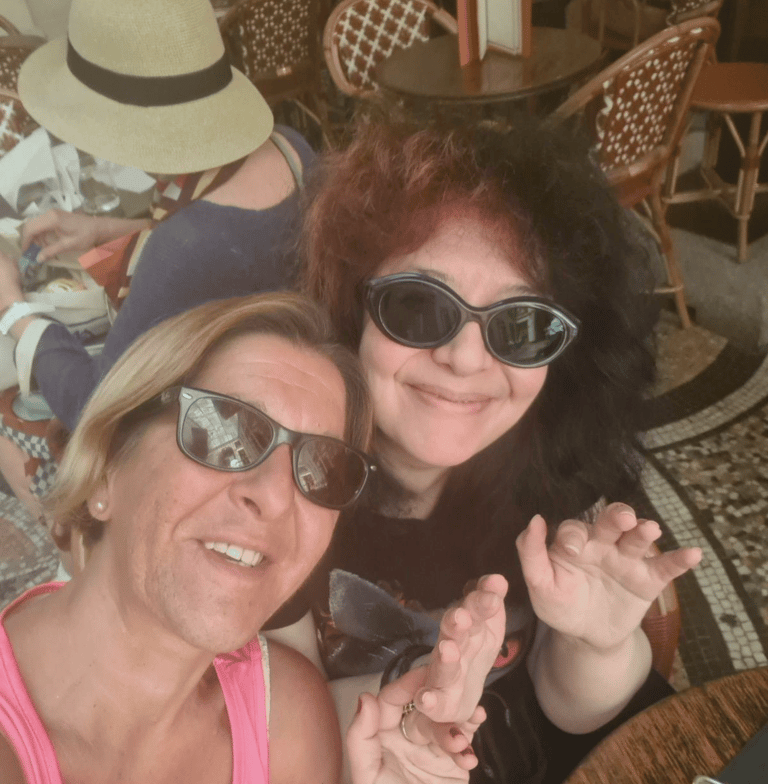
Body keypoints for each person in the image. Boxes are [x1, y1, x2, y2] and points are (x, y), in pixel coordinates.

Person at [297, 108, 703, 784]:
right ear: (349, 309)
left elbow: (576, 714)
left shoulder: (561, 475)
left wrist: (597, 645)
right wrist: (411, 713)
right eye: (418, 306)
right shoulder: (285, 490)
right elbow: (266, 722)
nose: (463, 358)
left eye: (520, 325)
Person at [0, 290, 509, 784]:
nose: (275, 496)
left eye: (322, 469)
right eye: (225, 432)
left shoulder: (286, 719)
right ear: (107, 467)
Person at [0, 0, 315, 516]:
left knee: (14, 426)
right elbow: (233, 242)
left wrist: (14, 307)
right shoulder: (291, 148)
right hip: (292, 397)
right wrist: (102, 230)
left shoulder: (183, 250)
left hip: (222, 446)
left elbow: (96, 408)